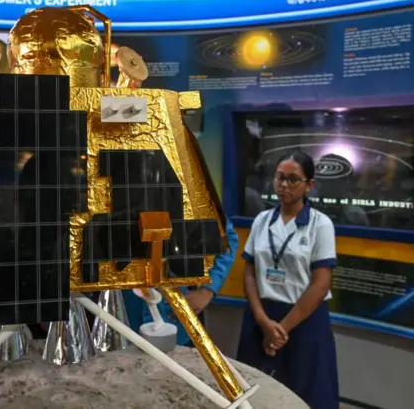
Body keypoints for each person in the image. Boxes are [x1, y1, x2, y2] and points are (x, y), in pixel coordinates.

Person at [236, 151, 338, 409]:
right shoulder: (262, 220)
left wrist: (280, 330)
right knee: (255, 391)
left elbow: (321, 284)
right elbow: (249, 271)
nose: (284, 185)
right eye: (280, 177)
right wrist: (263, 321)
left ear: (309, 185)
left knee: (306, 394)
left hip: (303, 321)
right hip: (261, 316)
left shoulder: (320, 225)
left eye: (293, 179)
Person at [122, 219, 239, 346]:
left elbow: (227, 239)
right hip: (124, 313)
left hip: (175, 315)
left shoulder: (193, 200)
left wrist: (208, 289)